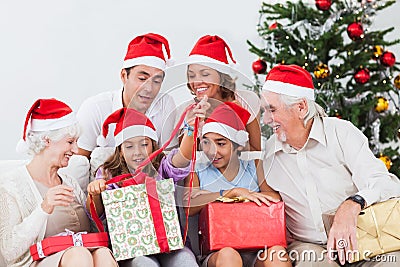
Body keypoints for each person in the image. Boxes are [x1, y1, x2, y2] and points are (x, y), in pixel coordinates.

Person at [261, 64, 400, 266]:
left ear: (301, 107)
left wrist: (352, 204)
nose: (265, 119)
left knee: (393, 262)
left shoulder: (340, 133)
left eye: (271, 110)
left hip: (361, 239)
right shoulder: (269, 153)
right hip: (310, 247)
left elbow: (386, 184)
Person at [86, 97, 210, 267]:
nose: (137, 152)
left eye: (144, 144)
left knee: (186, 262)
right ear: (120, 151)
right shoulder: (108, 173)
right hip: (133, 251)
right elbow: (96, 213)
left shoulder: (163, 167)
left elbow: (182, 158)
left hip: (171, 247)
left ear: (153, 145)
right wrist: (95, 192)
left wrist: (190, 129)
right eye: (129, 146)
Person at [0, 98, 117, 267]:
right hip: (38, 261)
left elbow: (93, 232)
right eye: (70, 142)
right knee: (78, 255)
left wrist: (95, 198)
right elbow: (9, 250)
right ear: (47, 140)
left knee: (103, 254)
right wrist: (44, 207)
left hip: (80, 254)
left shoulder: (70, 182)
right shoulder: (11, 185)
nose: (76, 150)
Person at [185, 102, 291, 267]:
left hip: (258, 248)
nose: (213, 151)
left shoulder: (254, 165)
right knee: (229, 255)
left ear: (238, 145)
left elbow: (274, 199)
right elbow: (189, 206)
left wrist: (241, 200)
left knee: (278, 254)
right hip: (219, 252)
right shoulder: (197, 170)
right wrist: (231, 193)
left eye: (221, 143)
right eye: (206, 143)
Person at [77, 33, 178, 159]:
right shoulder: (95, 108)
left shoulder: (166, 105)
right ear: (124, 76)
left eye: (157, 81)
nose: (149, 88)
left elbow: (169, 161)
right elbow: (77, 164)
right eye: (142, 79)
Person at [185, 35, 261, 153]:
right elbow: (183, 160)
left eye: (205, 74)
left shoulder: (247, 100)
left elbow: (256, 151)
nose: (197, 81)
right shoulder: (189, 111)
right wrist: (192, 128)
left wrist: (238, 124)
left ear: (221, 76)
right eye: (191, 75)